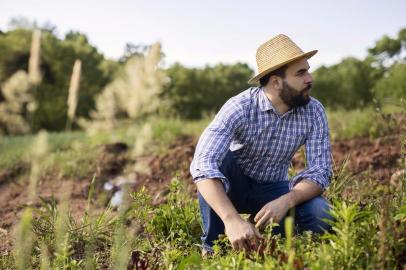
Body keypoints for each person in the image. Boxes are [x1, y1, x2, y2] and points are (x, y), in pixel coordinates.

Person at [190, 34, 333, 254]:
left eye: (308, 70)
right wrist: (231, 219)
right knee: (218, 162)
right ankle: (212, 250)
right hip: (233, 185)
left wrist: (286, 201)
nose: (310, 78)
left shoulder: (314, 111)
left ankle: (286, 243)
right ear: (276, 82)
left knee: (321, 213)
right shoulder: (239, 107)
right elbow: (202, 165)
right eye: (301, 73)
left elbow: (320, 171)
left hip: (273, 190)